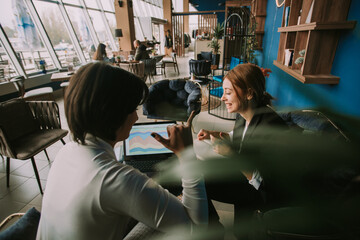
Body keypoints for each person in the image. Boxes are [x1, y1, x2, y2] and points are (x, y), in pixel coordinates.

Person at [36, 62, 208, 239]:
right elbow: (195, 228)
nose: (135, 117)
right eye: (133, 109)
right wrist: (187, 155)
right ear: (112, 114)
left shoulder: (66, 152)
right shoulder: (116, 178)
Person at [197, 63, 289, 238]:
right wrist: (212, 133)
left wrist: (231, 154)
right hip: (251, 183)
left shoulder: (271, 128)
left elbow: (265, 184)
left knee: (202, 181)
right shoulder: (244, 116)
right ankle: (214, 227)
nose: (223, 98)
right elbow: (237, 135)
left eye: (228, 92)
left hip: (266, 195)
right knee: (199, 177)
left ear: (248, 93)